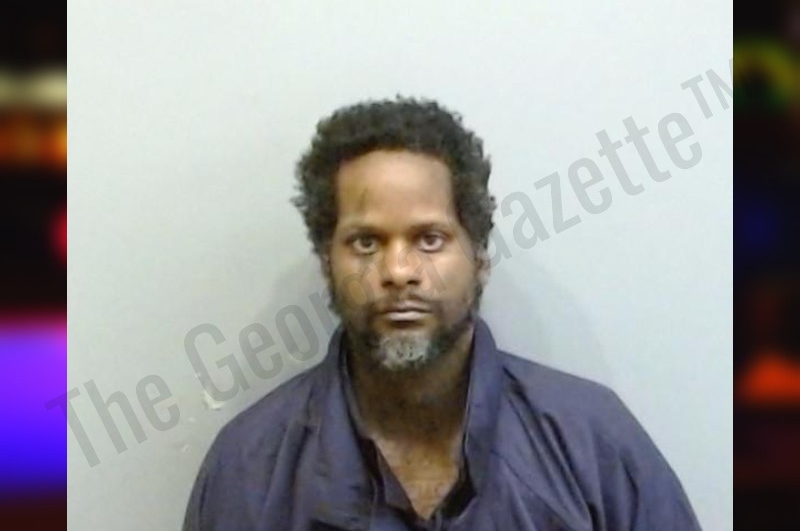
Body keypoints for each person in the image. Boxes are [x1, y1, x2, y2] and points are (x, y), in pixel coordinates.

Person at [183, 98, 701, 530]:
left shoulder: (593, 442)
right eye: (365, 243)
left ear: (479, 260)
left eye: (430, 239)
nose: (398, 271)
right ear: (326, 264)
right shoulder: (250, 468)